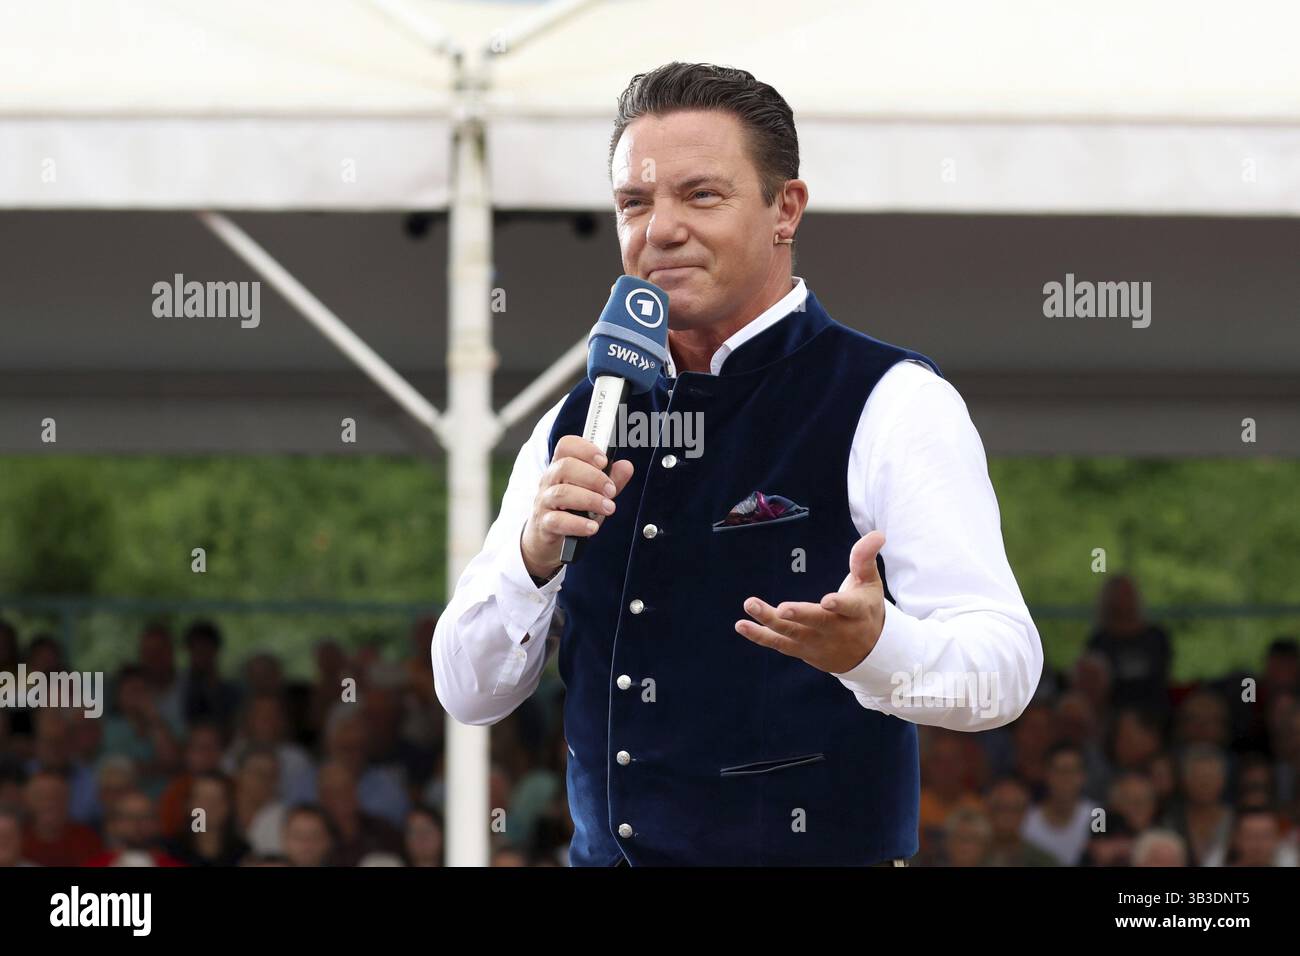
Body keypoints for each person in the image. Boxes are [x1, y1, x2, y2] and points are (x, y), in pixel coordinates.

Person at [432, 62, 1042, 866]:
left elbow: (1005, 672)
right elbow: (467, 694)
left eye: (701, 195)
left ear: (785, 209)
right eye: (635, 202)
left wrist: (878, 650)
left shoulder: (891, 401)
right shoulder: (574, 421)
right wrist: (529, 558)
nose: (660, 230)